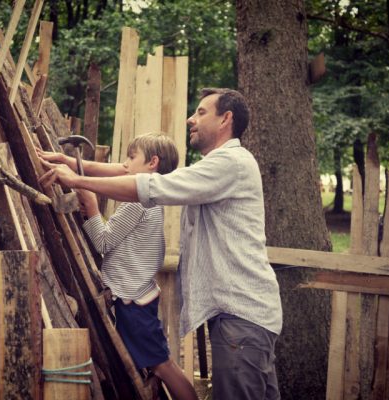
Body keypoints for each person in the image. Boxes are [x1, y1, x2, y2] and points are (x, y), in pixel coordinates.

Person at [38, 88, 283, 400]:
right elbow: (132, 172)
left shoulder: (230, 164)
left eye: (201, 112)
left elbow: (151, 183)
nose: (190, 119)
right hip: (244, 314)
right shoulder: (219, 165)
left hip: (242, 316)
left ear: (226, 119)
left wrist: (77, 181)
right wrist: (74, 165)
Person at [38, 133, 198, 400]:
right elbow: (118, 174)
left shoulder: (137, 201)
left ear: (152, 163)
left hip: (132, 301)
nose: (125, 164)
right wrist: (69, 162)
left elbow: (103, 241)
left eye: (131, 157)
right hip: (137, 295)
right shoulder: (151, 199)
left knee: (162, 365)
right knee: (158, 362)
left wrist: (90, 206)